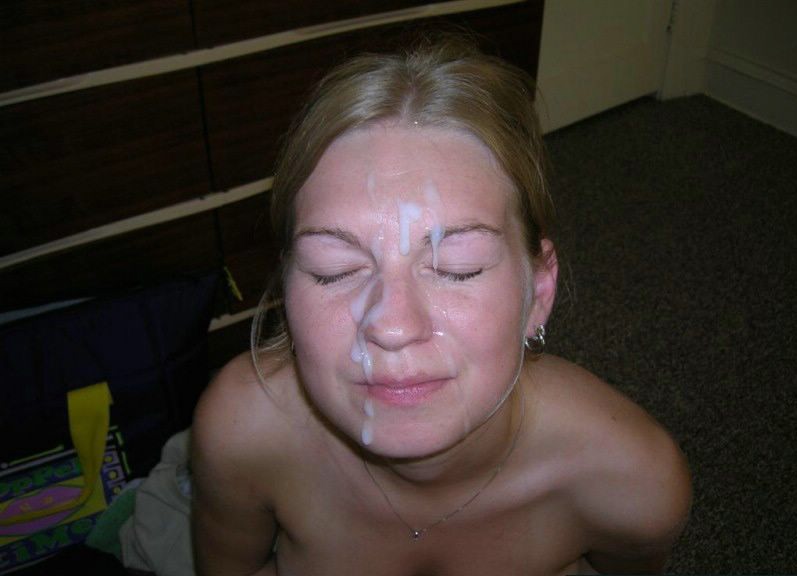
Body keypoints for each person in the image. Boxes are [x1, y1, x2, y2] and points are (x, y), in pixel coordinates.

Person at [191, 35, 692, 576]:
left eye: (459, 267)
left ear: (539, 292)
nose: (393, 326)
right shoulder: (239, 433)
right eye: (333, 268)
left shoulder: (634, 483)